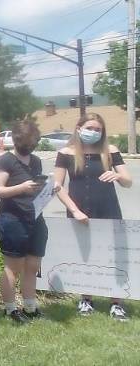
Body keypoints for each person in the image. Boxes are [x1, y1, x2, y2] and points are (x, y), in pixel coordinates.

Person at [53, 112, 133, 321]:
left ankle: (116, 303)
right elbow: (57, 186)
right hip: (79, 211)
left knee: (113, 256)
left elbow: (128, 181)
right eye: (90, 128)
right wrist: (75, 210)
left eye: (98, 129)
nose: (94, 132)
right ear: (79, 128)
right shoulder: (66, 153)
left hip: (108, 209)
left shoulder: (110, 151)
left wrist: (118, 175)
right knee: (84, 255)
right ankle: (86, 299)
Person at [0, 119, 54, 323]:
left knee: (33, 264)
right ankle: (10, 309)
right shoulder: (5, 161)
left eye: (33, 140)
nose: (30, 144)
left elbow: (36, 189)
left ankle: (30, 306)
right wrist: (21, 188)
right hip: (12, 219)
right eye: (26, 140)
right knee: (13, 266)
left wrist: (50, 189)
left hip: (34, 217)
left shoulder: (35, 161)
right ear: (16, 140)